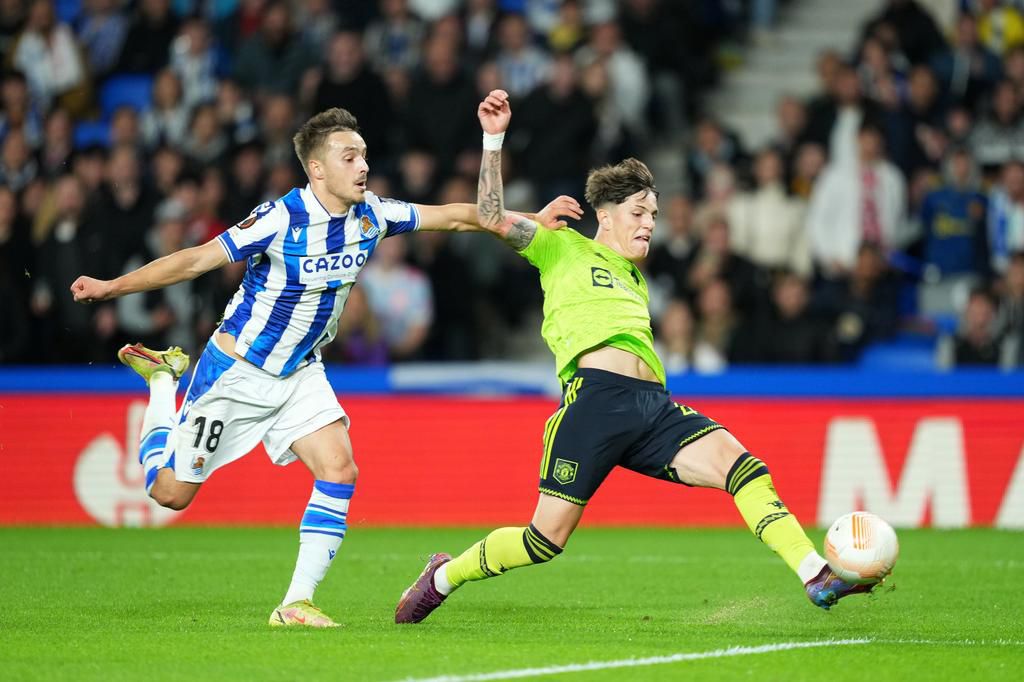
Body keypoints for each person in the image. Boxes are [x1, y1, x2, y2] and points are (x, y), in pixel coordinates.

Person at [69, 107, 577, 629]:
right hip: (237, 372)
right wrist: (111, 286)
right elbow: (196, 260)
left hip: (300, 374)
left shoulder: (372, 215)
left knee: (340, 468)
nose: (363, 167)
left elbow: (455, 215)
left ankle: (296, 602)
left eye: (364, 156)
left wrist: (531, 219)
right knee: (169, 494)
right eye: (349, 157)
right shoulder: (278, 218)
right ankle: (161, 382)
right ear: (317, 169)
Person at [394, 90, 878, 626]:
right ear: (604, 214)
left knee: (743, 467)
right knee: (543, 540)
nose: (650, 222)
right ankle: (442, 575)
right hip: (594, 405)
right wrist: (493, 139)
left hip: (655, 408)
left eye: (654, 213)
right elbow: (485, 216)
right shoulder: (561, 246)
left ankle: (815, 573)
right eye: (639, 212)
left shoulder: (634, 278)